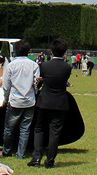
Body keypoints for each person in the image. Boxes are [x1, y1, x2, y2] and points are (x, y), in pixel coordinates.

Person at [29, 38, 72, 168]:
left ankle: (36, 156)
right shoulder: (67, 67)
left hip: (44, 100)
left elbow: (43, 80)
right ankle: (50, 160)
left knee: (39, 128)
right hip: (60, 102)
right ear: (64, 52)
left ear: (51, 51)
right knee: (55, 131)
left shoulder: (45, 66)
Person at [0, 40, 39, 159]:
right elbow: (36, 83)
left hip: (15, 100)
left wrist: (5, 99)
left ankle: (6, 150)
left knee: (9, 128)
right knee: (25, 129)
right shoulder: (34, 65)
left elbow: (6, 85)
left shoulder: (11, 65)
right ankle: (20, 153)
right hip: (29, 101)